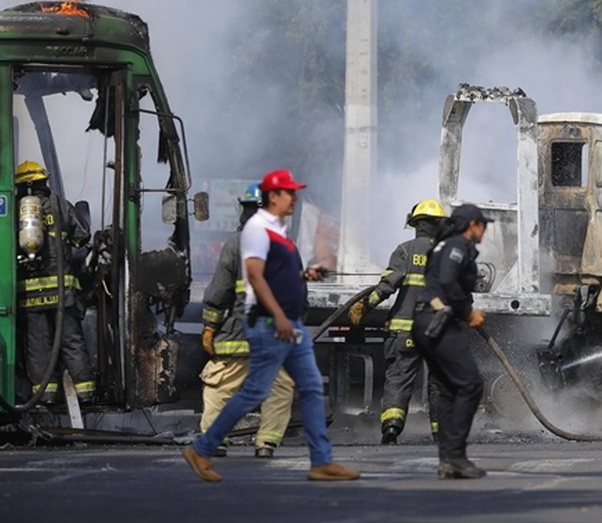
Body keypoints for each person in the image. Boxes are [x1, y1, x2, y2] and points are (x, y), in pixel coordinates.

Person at [184, 169, 358, 482]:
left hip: (255, 330)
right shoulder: (267, 242)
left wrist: (211, 326)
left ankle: (315, 459)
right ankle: (248, 443)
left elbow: (219, 292)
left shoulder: (244, 243)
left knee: (232, 386)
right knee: (270, 388)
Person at [199, 184, 295, 458]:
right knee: (280, 388)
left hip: (238, 334)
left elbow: (219, 291)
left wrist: (210, 326)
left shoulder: (235, 244)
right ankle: (266, 443)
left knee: (220, 387)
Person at [349, 199, 446, 445]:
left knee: (399, 380)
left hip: (405, 332)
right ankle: (441, 433)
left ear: (416, 224)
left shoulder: (405, 250)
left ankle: (391, 429)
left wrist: (364, 305)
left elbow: (387, 286)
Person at [412, 203, 491, 480]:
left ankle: (448, 460)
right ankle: (455, 456)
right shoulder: (456, 245)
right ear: (472, 224)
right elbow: (447, 280)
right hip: (438, 322)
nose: (485, 230)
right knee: (470, 384)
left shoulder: (445, 244)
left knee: (448, 389)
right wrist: (468, 311)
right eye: (484, 225)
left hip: (427, 321)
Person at [14, 160, 95, 404]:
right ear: (43, 181)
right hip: (62, 292)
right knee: (71, 342)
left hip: (30, 292)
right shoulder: (60, 205)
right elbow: (82, 237)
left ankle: (46, 395)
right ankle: (86, 391)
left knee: (38, 346)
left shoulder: (16, 210)